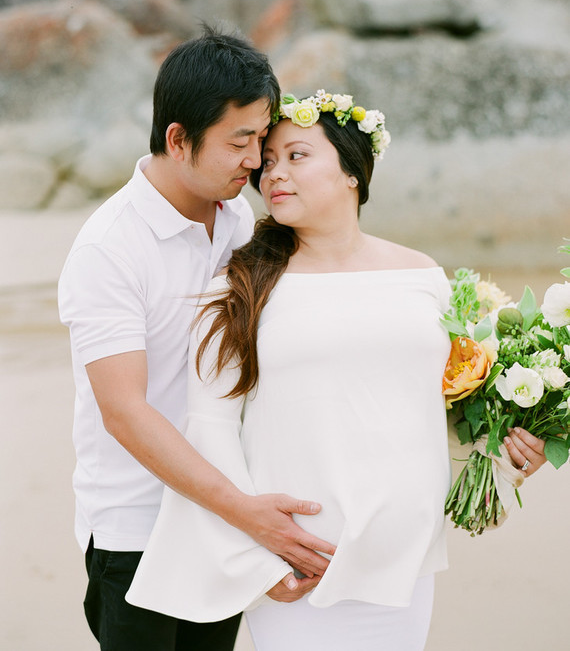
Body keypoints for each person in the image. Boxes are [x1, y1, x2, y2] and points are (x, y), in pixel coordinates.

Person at [126, 90, 546, 650]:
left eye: (296, 156)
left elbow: (446, 409)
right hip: (301, 558)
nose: (274, 173)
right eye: (267, 161)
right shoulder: (241, 285)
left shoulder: (421, 274)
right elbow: (211, 427)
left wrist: (510, 457)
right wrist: (255, 559)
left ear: (352, 172)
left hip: (404, 554)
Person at [58, 34, 337, 651]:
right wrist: (246, 514)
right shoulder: (109, 249)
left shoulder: (241, 221)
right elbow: (124, 412)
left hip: (225, 516)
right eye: (238, 143)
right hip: (139, 530)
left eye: (260, 140)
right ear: (179, 139)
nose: (255, 161)